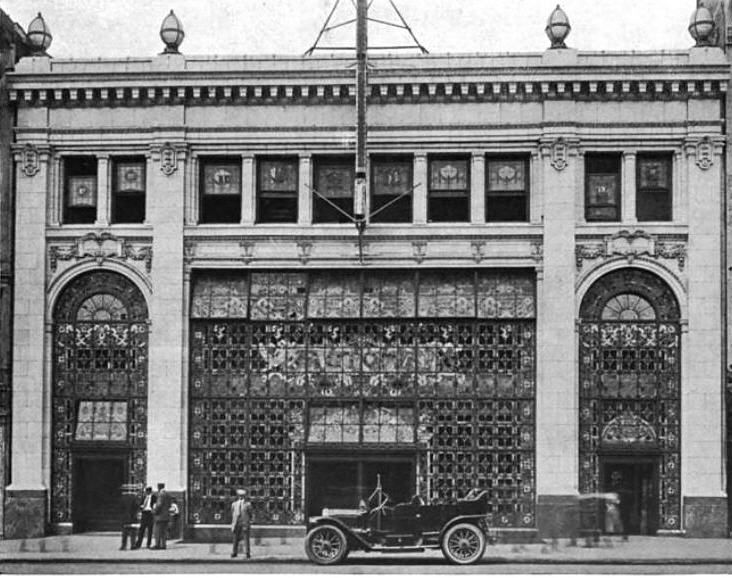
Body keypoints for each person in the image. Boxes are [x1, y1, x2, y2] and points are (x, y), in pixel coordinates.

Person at [231, 488, 252, 559]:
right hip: (236, 522)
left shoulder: (248, 504)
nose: (241, 497)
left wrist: (248, 521)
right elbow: (233, 513)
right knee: (235, 538)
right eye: (240, 496)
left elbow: (250, 514)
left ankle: (247, 552)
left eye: (242, 496)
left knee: (246, 538)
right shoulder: (234, 504)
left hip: (244, 522)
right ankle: (234, 552)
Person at [119, 484, 140, 550]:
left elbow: (120, 508)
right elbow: (137, 506)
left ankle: (123, 545)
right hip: (133, 517)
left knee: (124, 532)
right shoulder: (135, 497)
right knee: (133, 532)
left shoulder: (122, 498)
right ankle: (133, 545)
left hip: (125, 517)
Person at [152, 483, 172, 550]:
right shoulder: (167, 494)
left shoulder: (160, 494)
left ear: (159, 487)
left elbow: (159, 505)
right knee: (164, 532)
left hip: (160, 516)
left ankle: (157, 545)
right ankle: (163, 545)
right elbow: (169, 505)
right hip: (166, 515)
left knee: (157, 531)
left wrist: (154, 511)